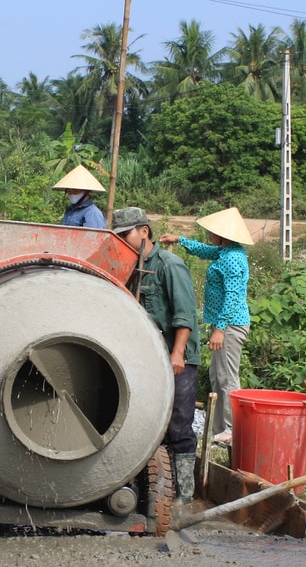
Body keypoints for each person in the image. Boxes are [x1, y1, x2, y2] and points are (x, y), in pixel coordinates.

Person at [112, 207, 201, 503]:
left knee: (179, 422)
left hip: (177, 358)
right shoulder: (129, 266)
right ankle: (155, 489)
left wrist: (177, 354)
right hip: (147, 357)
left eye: (126, 235)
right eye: (118, 236)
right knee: (149, 423)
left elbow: (185, 315)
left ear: (144, 232)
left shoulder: (169, 265)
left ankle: (184, 496)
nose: (122, 241)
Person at [158, 207, 253, 442]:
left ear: (224, 235)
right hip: (224, 324)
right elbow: (205, 250)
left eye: (213, 232)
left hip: (229, 325)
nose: (209, 234)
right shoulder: (224, 251)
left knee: (226, 376)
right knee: (217, 375)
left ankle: (230, 428)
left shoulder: (232, 259)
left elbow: (233, 296)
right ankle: (220, 429)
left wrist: (220, 329)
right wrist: (179, 240)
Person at [54, 164, 106, 229]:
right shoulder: (69, 211)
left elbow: (92, 237)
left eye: (74, 190)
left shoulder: (92, 213)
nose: (70, 193)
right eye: (68, 190)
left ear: (86, 191)